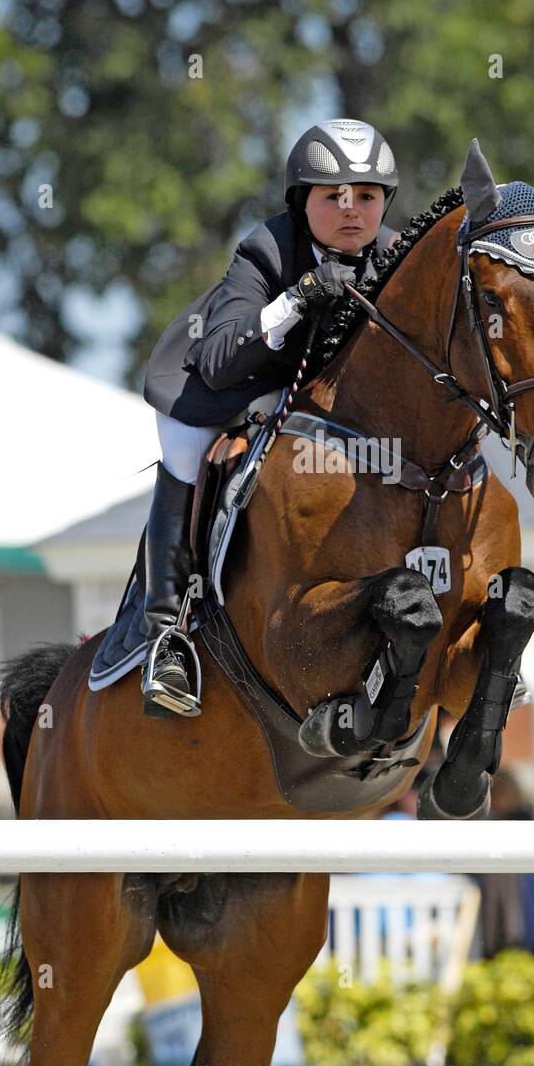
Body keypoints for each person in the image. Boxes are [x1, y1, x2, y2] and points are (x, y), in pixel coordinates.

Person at [139, 120, 400, 717]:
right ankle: (166, 635)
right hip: (213, 388)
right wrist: (302, 294)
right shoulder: (267, 249)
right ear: (300, 200)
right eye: (332, 196)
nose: (351, 210)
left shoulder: (393, 257)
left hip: (311, 404)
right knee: (183, 457)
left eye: (366, 195)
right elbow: (222, 357)